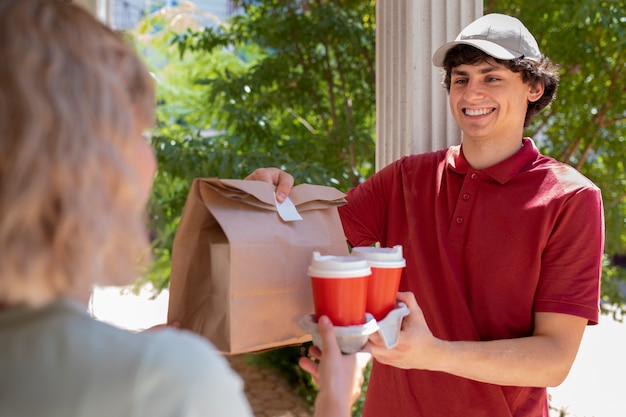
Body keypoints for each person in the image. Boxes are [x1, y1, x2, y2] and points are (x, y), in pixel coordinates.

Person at [0, 1, 369, 417]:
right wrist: (336, 399)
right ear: (88, 165)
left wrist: (246, 228)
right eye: (139, 133)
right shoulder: (166, 379)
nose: (149, 161)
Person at [247, 13, 605, 417]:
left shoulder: (571, 198)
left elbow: (554, 359)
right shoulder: (406, 177)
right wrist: (264, 199)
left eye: (491, 78)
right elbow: (308, 240)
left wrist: (434, 354)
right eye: (461, 78)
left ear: (534, 88)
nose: (472, 93)